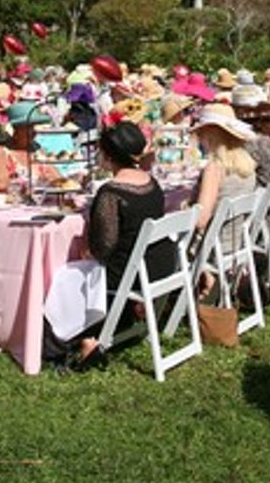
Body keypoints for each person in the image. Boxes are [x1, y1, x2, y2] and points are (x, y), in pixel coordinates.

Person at [42, 121, 172, 371]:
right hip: (159, 263)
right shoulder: (152, 182)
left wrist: (87, 249)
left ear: (108, 155)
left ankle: (74, 336)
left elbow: (104, 247)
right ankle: (103, 327)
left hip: (129, 274)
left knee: (65, 274)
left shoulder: (111, 193)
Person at [189, 104, 258, 253]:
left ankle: (205, 275)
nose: (199, 139)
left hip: (213, 245)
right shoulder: (247, 163)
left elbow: (201, 220)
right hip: (237, 240)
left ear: (210, 136)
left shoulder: (215, 169)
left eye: (200, 134)